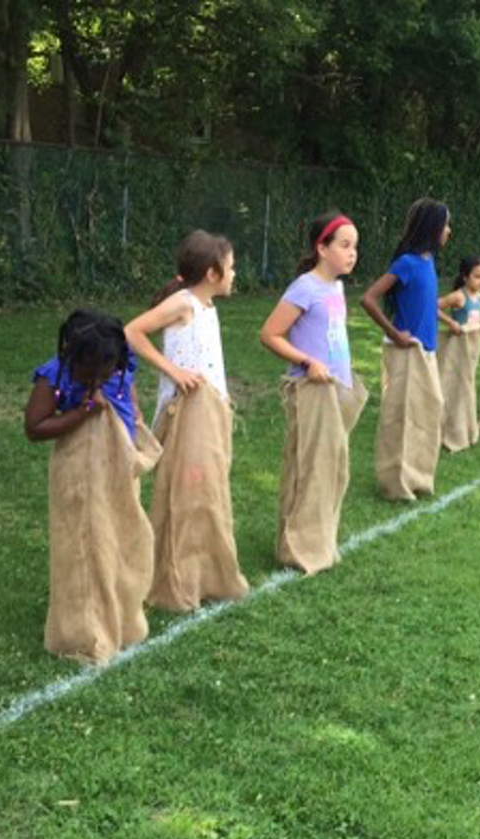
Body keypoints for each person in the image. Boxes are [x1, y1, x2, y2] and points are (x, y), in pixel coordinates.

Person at [26, 309, 160, 663]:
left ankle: (121, 613)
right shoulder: (54, 376)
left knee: (120, 539)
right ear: (69, 353)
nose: (98, 381)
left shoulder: (120, 363)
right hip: (80, 474)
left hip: (119, 468)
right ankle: (84, 626)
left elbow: (128, 397)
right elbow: (35, 427)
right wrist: (82, 412)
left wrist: (133, 417)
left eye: (107, 371)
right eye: (89, 373)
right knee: (84, 544)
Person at [124, 231, 248, 611]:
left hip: (209, 411)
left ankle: (208, 574)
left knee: (208, 490)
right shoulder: (183, 303)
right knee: (186, 492)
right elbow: (131, 333)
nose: (234, 274)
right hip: (187, 412)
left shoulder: (207, 307)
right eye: (230, 267)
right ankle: (173, 580)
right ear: (212, 272)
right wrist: (174, 371)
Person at [259, 210, 368, 574]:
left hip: (336, 390)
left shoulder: (335, 287)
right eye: (344, 245)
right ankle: (297, 548)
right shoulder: (304, 287)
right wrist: (308, 362)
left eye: (355, 246)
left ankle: (319, 541)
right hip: (311, 391)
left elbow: (333, 335)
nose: (352, 253)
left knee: (332, 469)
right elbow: (270, 334)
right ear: (322, 247)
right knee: (310, 468)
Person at [360, 197, 450, 500]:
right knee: (402, 417)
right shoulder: (407, 263)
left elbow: (425, 304)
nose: (449, 231)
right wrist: (395, 333)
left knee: (427, 412)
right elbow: (368, 298)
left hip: (426, 351)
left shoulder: (428, 261)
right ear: (433, 228)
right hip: (407, 352)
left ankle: (417, 477)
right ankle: (395, 482)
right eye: (446, 225)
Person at [436, 256, 480, 452]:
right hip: (457, 347)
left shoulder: (479, 297)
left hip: (473, 348)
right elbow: (434, 307)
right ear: (465, 276)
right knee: (454, 386)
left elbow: (474, 316)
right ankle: (446, 430)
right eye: (477, 276)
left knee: (467, 387)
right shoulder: (459, 296)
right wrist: (451, 323)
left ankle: (465, 427)